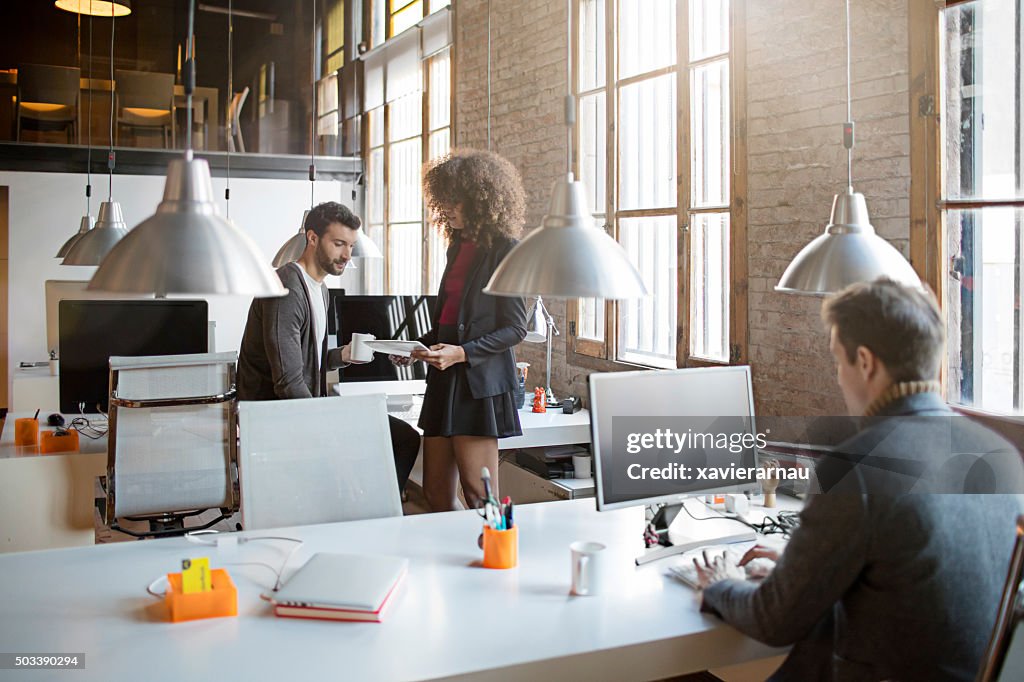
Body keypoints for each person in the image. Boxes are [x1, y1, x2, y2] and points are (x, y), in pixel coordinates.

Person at [696, 278, 1024, 681]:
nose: (837, 377)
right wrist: (804, 573)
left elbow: (772, 621)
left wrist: (721, 584)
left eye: (838, 361)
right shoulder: (1001, 454)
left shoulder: (857, 468)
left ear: (865, 362)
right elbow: (922, 582)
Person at [238, 201, 420, 493]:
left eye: (350, 245)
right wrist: (327, 436)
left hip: (305, 410)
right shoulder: (287, 287)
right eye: (338, 244)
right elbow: (288, 381)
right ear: (312, 238)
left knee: (403, 437)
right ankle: (365, 507)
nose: (347, 255)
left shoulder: (320, 289)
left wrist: (340, 356)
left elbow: (304, 358)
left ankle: (370, 508)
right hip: (276, 419)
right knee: (394, 441)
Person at [396, 149, 528, 511]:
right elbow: (446, 323)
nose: (448, 208)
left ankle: (496, 559)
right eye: (444, 200)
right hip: (443, 383)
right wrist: (412, 347)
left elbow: (516, 327)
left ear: (480, 198)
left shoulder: (506, 250)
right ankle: (457, 559)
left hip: (477, 384)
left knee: (480, 496)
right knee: (436, 494)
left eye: (457, 199)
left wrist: (462, 353)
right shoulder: (456, 248)